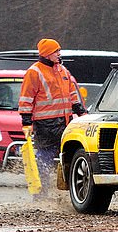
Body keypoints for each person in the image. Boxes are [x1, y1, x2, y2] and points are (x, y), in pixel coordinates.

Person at [18, 38, 87, 199]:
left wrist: (79, 110)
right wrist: (26, 121)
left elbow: (72, 92)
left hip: (64, 121)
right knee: (46, 158)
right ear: (47, 54)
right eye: (56, 51)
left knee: (66, 156)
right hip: (45, 124)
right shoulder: (34, 72)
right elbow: (26, 98)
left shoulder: (62, 70)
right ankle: (41, 193)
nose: (59, 53)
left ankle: (68, 192)